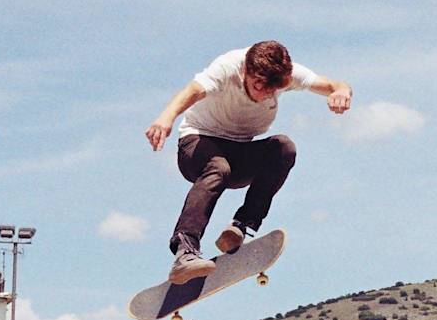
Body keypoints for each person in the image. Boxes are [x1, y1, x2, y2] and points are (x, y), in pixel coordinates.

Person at [145, 41, 352, 283]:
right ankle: (185, 251)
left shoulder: (285, 74)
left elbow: (333, 84)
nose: (265, 94)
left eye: (272, 90)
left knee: (283, 148)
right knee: (218, 167)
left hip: (240, 152)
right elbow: (193, 90)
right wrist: (165, 118)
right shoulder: (227, 66)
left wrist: (342, 91)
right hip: (197, 145)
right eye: (258, 86)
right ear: (246, 71)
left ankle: (241, 226)